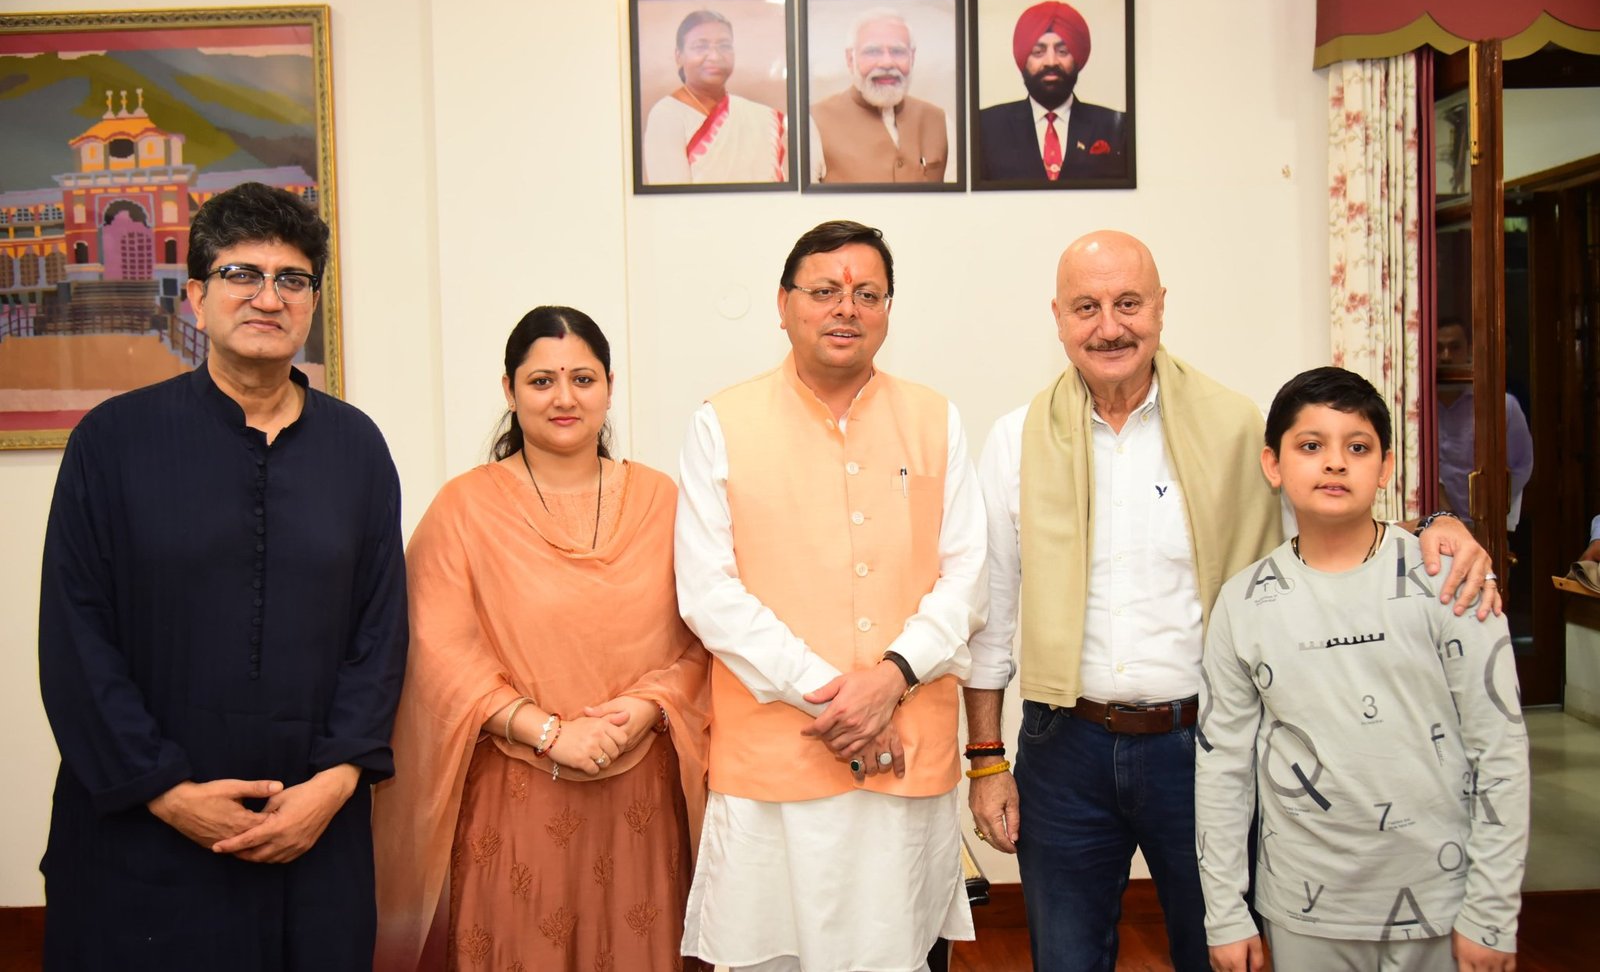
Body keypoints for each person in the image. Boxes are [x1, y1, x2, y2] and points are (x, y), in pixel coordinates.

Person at [963, 229, 1498, 972]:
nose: (1109, 326)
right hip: (1064, 748)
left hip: (1204, 746)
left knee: (1222, 952)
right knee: (1065, 959)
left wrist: (1436, 522)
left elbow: (1329, 523)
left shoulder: (1236, 426)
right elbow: (991, 612)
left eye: (1128, 303)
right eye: (1086, 307)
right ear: (1057, 317)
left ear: (1161, 306)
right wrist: (987, 760)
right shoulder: (1015, 440)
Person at [37, 182, 409, 969]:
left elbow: (380, 636)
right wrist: (165, 792)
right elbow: (75, 638)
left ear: (312, 303)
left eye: (292, 279)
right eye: (242, 274)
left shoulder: (358, 450)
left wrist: (335, 782)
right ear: (198, 298)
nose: (268, 297)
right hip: (142, 838)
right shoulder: (112, 442)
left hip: (312, 829)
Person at [674, 220, 985, 971]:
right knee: (772, 955)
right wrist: (842, 701)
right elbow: (709, 593)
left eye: (867, 294)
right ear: (783, 305)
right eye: (824, 292)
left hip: (905, 753)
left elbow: (969, 577)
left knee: (902, 951)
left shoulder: (935, 419)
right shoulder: (722, 423)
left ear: (888, 311)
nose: (847, 308)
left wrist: (890, 680)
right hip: (777, 761)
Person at [372, 306, 710, 971]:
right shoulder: (465, 508)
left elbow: (703, 637)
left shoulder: (663, 502)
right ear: (509, 390)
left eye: (582, 379)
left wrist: (644, 708)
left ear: (609, 387)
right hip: (515, 793)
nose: (564, 398)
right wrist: (550, 733)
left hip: (641, 797)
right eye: (541, 381)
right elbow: (437, 652)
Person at [1196, 366, 1527, 972]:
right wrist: (1225, 911)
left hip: (1442, 900)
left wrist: (1492, 910)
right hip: (1303, 908)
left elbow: (1499, 751)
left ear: (1386, 466)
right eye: (1310, 445)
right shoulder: (1242, 604)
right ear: (1273, 464)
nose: (1334, 462)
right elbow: (1223, 770)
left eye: (1357, 447)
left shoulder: (1450, 580)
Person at [977, 0, 1128, 183]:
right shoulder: (985, 126)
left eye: (1062, 51)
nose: (1051, 62)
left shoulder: (1116, 126)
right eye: (1038, 52)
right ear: (1023, 59)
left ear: (1077, 58)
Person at [642, 8, 788, 185]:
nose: (714, 56)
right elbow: (672, 196)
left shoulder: (760, 117)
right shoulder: (667, 115)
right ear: (679, 56)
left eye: (724, 46)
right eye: (700, 46)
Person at [809, 11, 949, 184]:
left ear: (912, 57)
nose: (887, 63)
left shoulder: (940, 121)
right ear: (850, 59)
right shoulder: (812, 123)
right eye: (872, 51)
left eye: (898, 51)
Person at [1435, 317, 1534, 529]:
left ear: (1469, 350)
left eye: (1455, 347)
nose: (1446, 357)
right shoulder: (1417, 410)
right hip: (1434, 525)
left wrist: (1493, 510)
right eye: (1439, 348)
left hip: (1486, 526)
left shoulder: (1502, 406)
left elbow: (1521, 465)